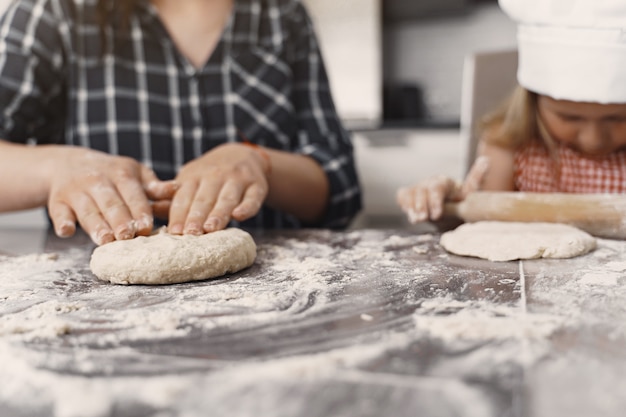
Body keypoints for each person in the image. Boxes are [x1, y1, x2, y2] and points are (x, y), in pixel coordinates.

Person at [0, 0, 362, 245]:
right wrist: (56, 168)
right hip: (95, 311)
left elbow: (340, 188)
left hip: (281, 300)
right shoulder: (54, 13)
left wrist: (259, 162)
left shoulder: (281, 15)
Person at [397, 0, 626, 223]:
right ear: (533, 101)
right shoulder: (507, 147)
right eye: (569, 117)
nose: (594, 139)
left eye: (619, 118)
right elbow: (480, 227)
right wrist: (445, 208)